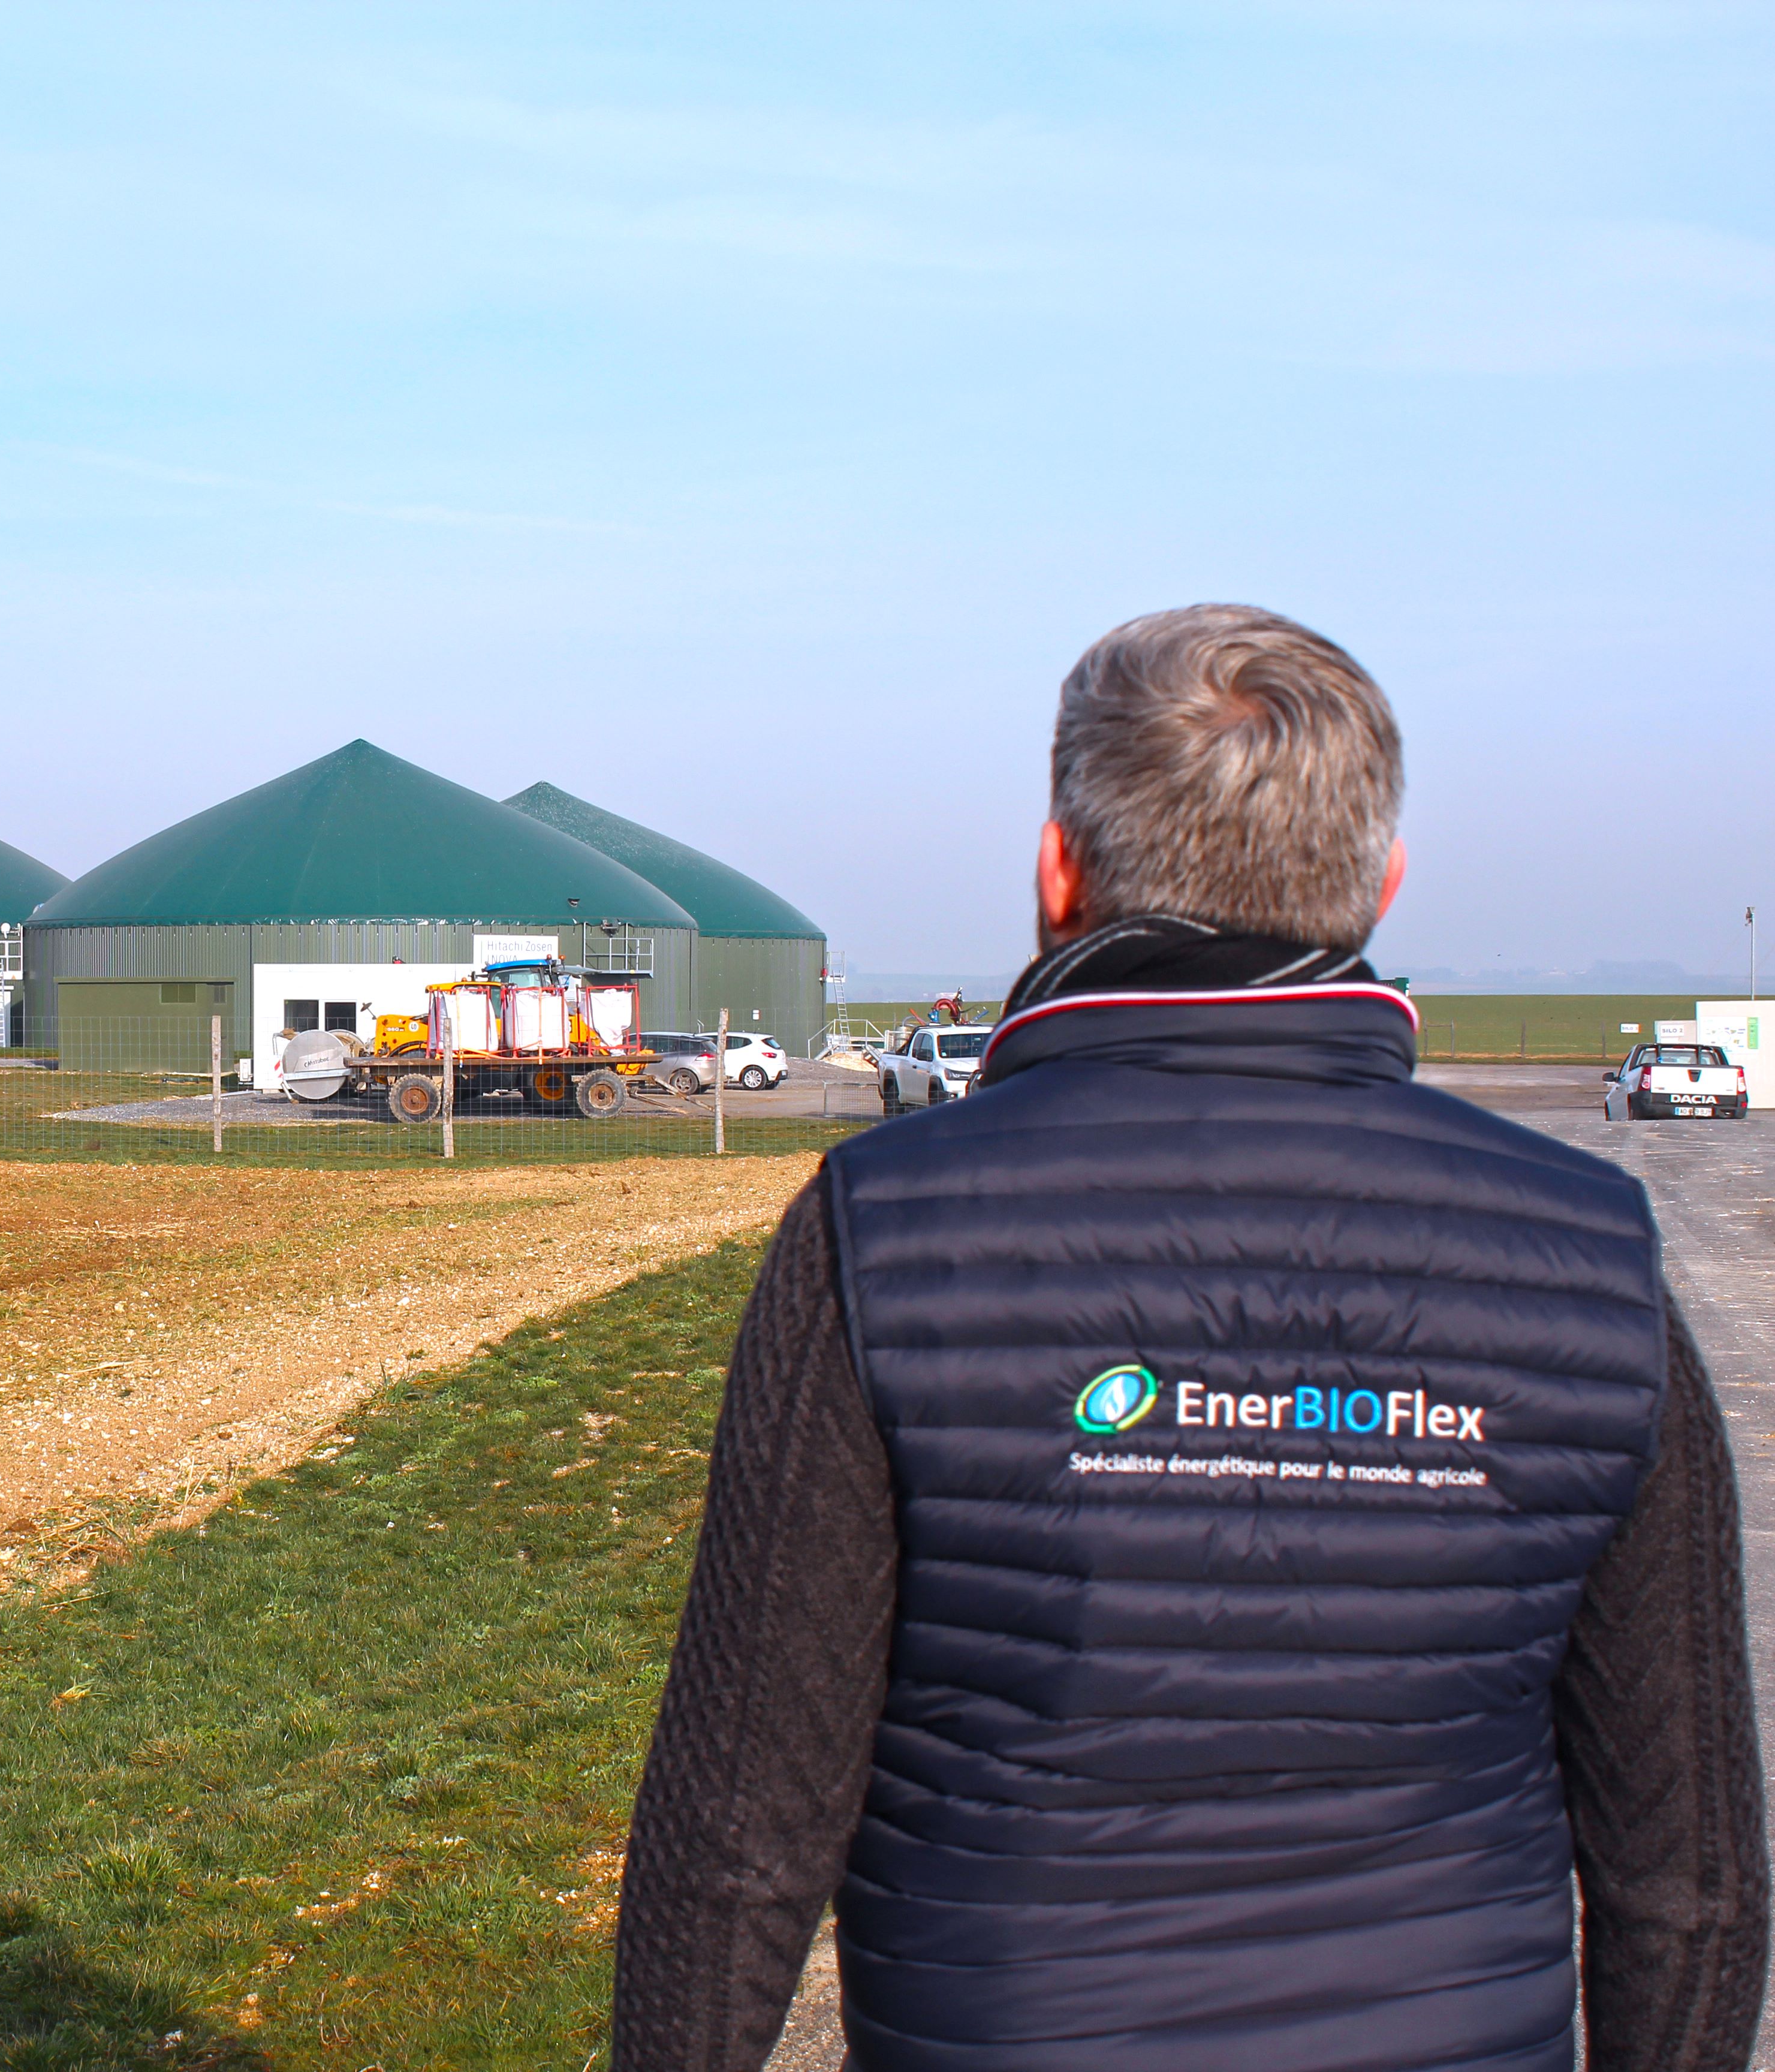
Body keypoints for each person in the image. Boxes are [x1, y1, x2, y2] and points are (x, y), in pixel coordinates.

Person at [615, 605, 1766, 2070]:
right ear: (1384, 885)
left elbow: (738, 1838)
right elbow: (1690, 1874)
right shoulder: (1589, 1255)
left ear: (1058, 874)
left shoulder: (882, 1231)